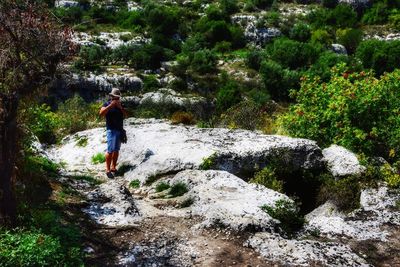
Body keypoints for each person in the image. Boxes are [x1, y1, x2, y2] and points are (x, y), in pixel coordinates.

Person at [99, 88, 127, 178]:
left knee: (116, 150)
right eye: (115, 97)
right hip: (111, 130)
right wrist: (110, 106)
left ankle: (113, 167)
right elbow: (101, 113)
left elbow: (127, 114)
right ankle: (107, 169)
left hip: (119, 129)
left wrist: (120, 108)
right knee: (110, 150)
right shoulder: (106, 104)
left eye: (118, 97)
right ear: (111, 96)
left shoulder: (121, 104)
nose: (116, 99)